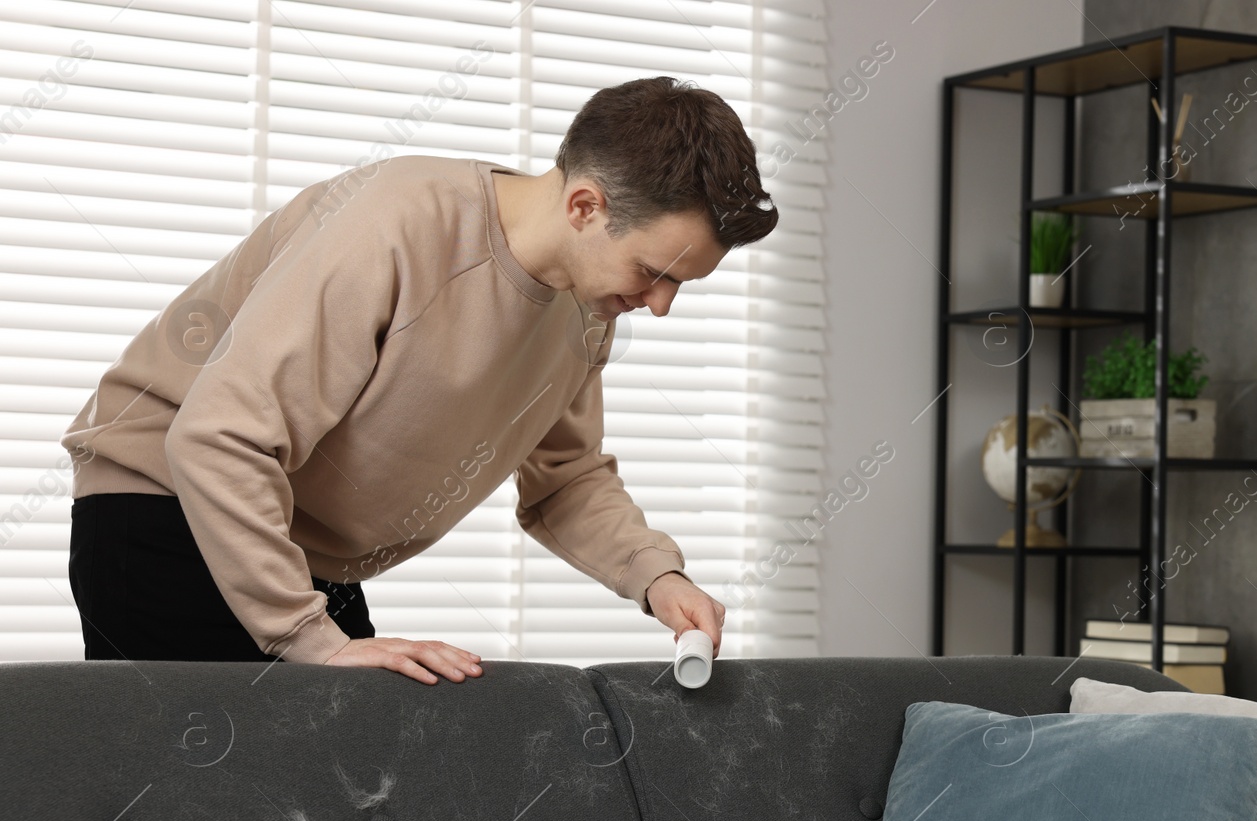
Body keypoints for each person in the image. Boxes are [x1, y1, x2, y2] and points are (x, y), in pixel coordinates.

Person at [59, 76, 777, 684]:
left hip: (293, 546)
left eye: (680, 284)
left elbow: (565, 477)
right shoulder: (396, 226)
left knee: (351, 809)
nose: (659, 304)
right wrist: (317, 642)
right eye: (654, 273)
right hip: (164, 511)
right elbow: (218, 438)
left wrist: (657, 577)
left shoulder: (586, 308)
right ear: (585, 207)